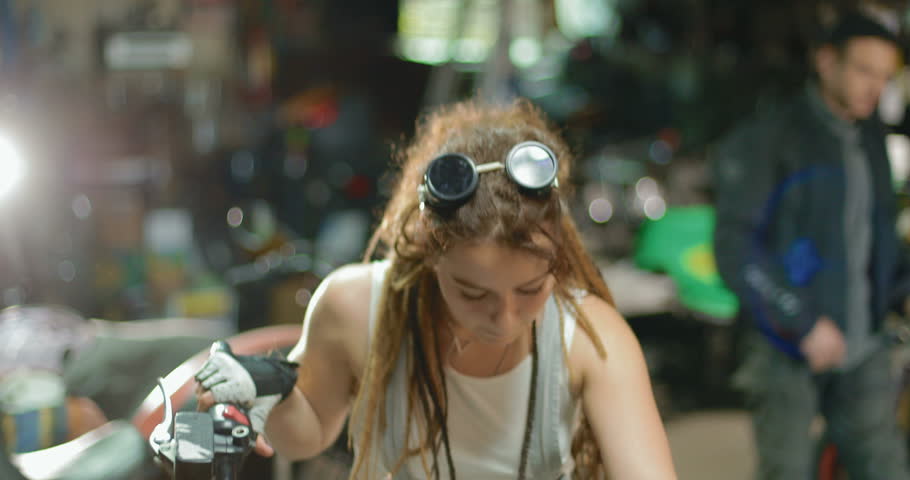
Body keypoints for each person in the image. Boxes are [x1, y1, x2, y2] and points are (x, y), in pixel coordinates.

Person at [194, 98, 677, 479]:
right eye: (473, 293)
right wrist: (268, 390)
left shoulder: (591, 338)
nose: (505, 319)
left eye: (530, 289)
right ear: (430, 254)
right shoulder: (356, 307)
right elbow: (308, 432)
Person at [712, 11, 910, 480]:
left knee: (884, 466)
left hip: (864, 346)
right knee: (789, 470)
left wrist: (901, 290)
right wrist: (801, 322)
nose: (875, 88)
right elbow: (735, 247)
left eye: (885, 77)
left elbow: (875, 233)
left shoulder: (871, 138)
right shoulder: (771, 136)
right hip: (785, 348)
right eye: (864, 71)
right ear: (826, 62)